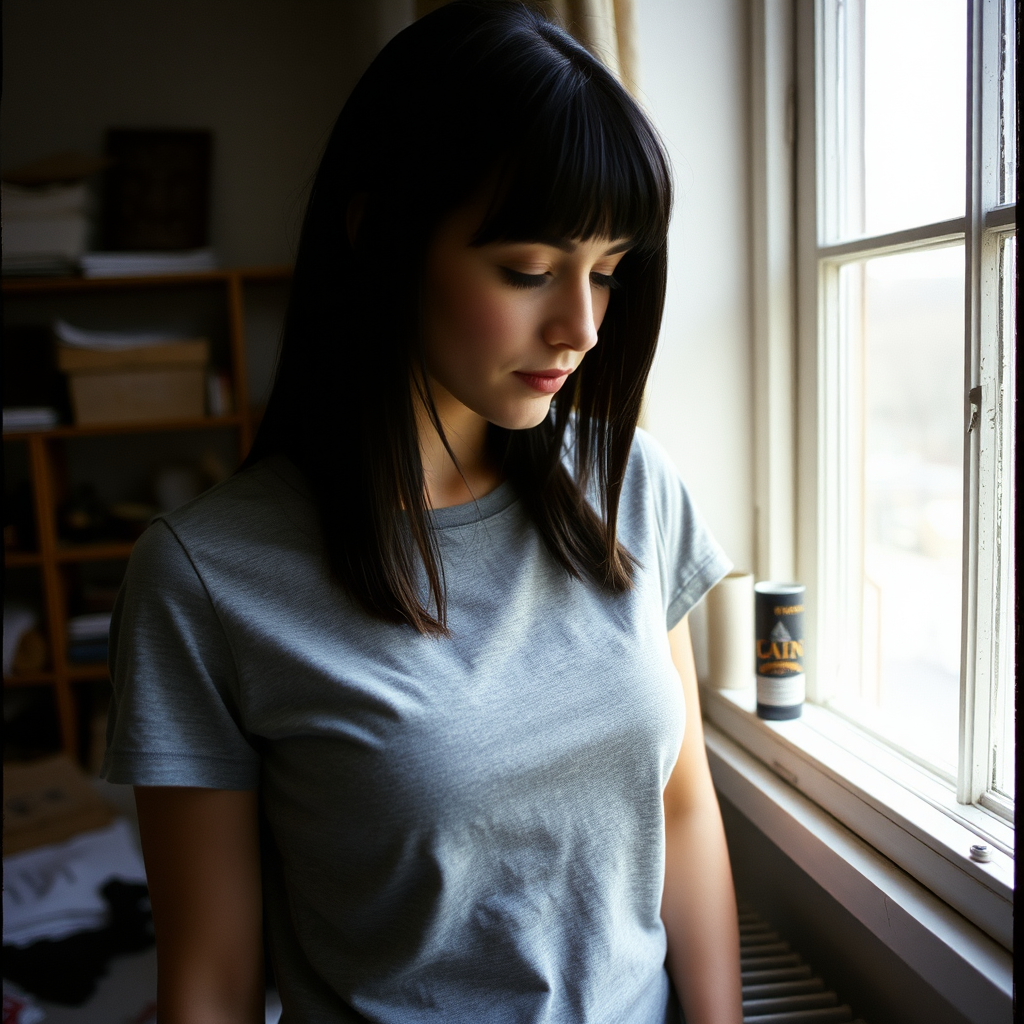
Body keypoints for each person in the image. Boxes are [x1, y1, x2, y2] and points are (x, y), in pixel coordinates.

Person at [101, 2, 744, 1021]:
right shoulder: (204, 576)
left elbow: (681, 807)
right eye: (528, 270)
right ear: (380, 234)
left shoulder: (633, 484)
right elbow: (213, 978)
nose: (580, 326)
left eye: (609, 272)